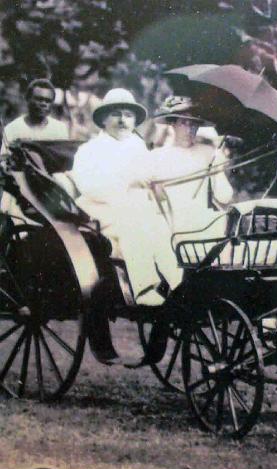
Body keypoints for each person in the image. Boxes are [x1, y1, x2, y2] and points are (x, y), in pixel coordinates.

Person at [70, 88, 181, 306]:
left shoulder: (138, 146)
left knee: (161, 227)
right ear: (103, 119)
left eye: (128, 115)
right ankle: (143, 288)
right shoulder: (89, 150)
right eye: (116, 114)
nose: (123, 120)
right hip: (98, 212)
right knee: (134, 221)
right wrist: (126, 184)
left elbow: (151, 177)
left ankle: (178, 284)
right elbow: (87, 186)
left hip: (136, 208)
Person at [147, 96, 234, 233]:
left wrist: (218, 170)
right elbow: (154, 203)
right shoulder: (157, 157)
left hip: (202, 228)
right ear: (173, 123)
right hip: (170, 228)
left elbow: (225, 197)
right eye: (183, 123)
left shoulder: (208, 153)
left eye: (193, 124)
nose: (189, 129)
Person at [1, 78, 70, 222]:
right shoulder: (13, 129)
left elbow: (64, 162)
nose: (43, 104)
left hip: (50, 187)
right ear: (27, 99)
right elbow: (3, 160)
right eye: (39, 99)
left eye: (48, 101)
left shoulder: (59, 129)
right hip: (20, 188)